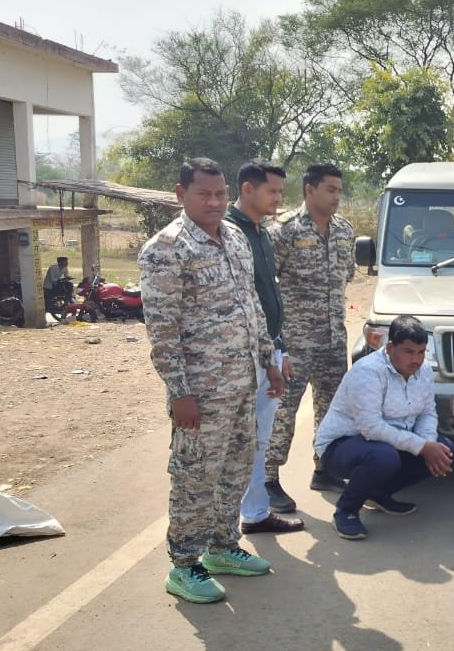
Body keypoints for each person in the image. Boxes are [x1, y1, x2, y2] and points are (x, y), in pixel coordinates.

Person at [138, 158, 285, 604]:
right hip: (200, 392)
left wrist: (269, 360)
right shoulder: (166, 249)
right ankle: (184, 566)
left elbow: (252, 307)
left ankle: (223, 547)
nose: (215, 201)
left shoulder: (236, 237)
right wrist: (180, 392)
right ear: (181, 194)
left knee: (236, 471)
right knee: (195, 478)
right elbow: (163, 332)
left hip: (242, 383)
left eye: (220, 193)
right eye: (204, 194)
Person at [263, 163, 355, 512]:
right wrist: (276, 342)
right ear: (309, 190)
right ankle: (268, 478)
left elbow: (346, 277)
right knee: (283, 410)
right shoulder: (283, 231)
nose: (336, 197)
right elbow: (267, 286)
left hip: (333, 338)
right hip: (295, 342)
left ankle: (325, 467)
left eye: (339, 190)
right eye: (330, 189)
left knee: (332, 409)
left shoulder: (344, 231)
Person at [313, 315, 454, 540]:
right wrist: (421, 447)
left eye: (421, 352)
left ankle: (379, 494)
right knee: (383, 457)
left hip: (388, 443)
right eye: (409, 351)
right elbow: (370, 427)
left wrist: (428, 444)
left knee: (445, 449)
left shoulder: (424, 370)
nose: (416, 359)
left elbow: (427, 413)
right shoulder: (367, 372)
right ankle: (346, 511)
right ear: (390, 347)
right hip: (342, 446)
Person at [226, 160, 302, 534]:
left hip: (266, 352)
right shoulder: (227, 234)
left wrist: (280, 351)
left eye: (279, 192)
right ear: (248, 189)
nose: (277, 198)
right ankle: (221, 528)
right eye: (271, 191)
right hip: (238, 357)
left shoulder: (262, 233)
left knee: (258, 439)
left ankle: (255, 514)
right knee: (236, 443)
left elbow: (271, 297)